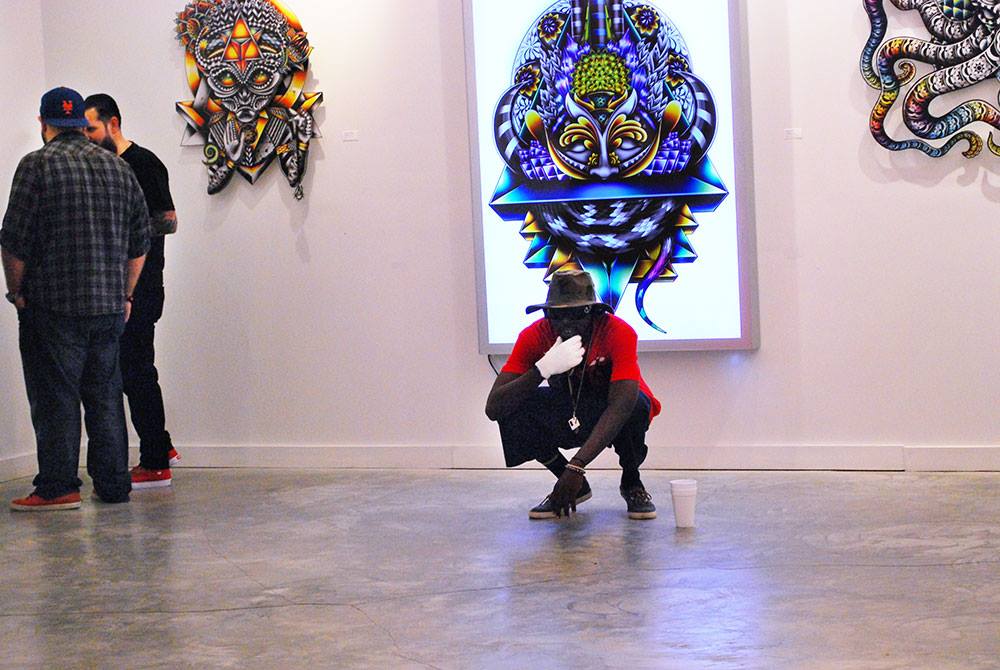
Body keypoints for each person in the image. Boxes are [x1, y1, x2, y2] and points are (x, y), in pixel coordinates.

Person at [2, 86, 149, 510]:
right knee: (106, 399)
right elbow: (140, 241)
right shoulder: (118, 167)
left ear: (43, 123)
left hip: (52, 306)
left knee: (56, 400)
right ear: (81, 123)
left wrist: (16, 291)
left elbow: (14, 240)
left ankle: (58, 487)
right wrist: (126, 294)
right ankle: (114, 485)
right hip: (108, 307)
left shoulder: (36, 166)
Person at [485, 269, 662, 520]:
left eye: (577, 314)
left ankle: (632, 482)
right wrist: (541, 370)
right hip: (571, 408)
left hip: (609, 408)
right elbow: (494, 407)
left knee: (636, 405)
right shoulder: (534, 335)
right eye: (556, 315)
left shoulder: (618, 332)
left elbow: (622, 403)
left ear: (593, 312)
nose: (566, 323)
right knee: (514, 406)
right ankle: (570, 484)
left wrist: (577, 465)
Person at [84, 94, 179, 490]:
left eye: (91, 128)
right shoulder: (106, 167)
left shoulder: (143, 163)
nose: (86, 137)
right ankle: (161, 445)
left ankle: (155, 460)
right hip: (119, 289)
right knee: (131, 371)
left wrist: (121, 231)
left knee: (136, 371)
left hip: (142, 287)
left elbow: (169, 221)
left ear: (113, 123)